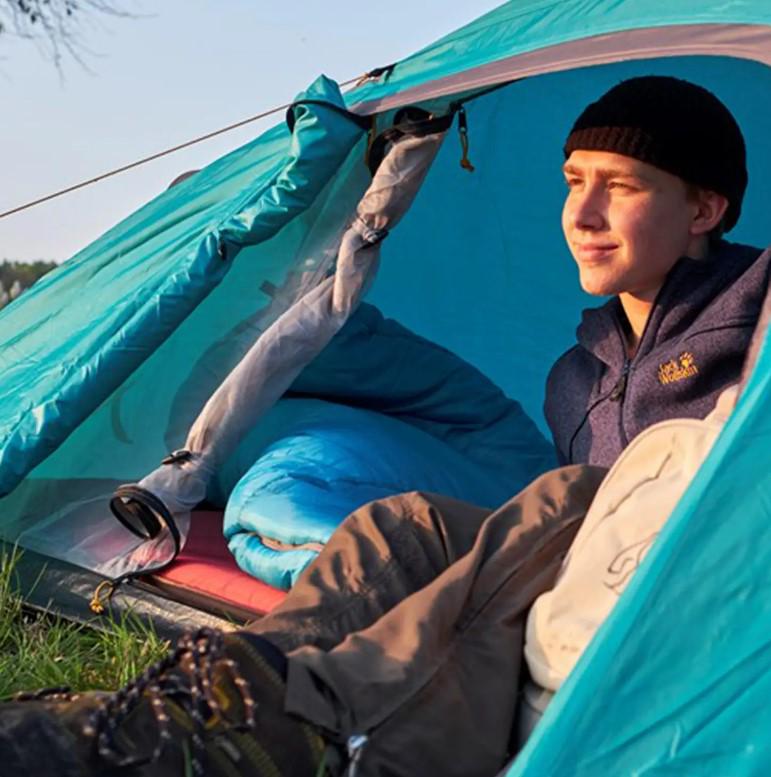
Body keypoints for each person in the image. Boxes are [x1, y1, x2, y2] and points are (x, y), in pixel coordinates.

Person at [1, 76, 768, 777]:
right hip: (598, 576)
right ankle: (210, 707)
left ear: (703, 209)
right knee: (397, 527)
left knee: (566, 496)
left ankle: (310, 726)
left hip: (705, 583)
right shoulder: (577, 376)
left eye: (621, 186)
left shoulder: (756, 313)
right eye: (573, 181)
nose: (583, 213)